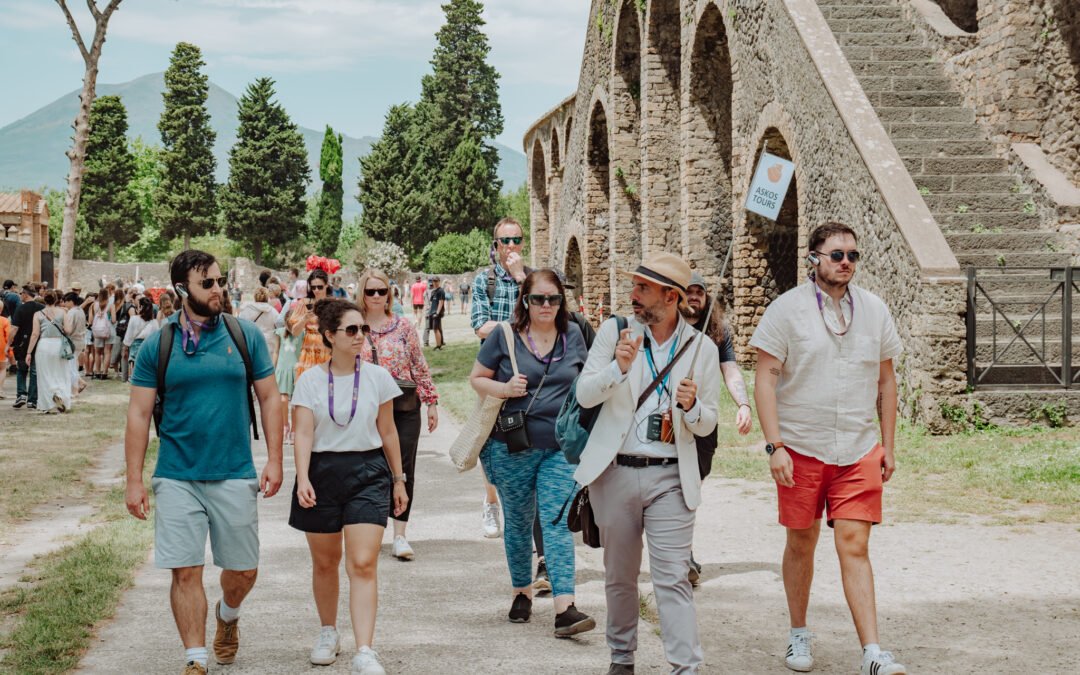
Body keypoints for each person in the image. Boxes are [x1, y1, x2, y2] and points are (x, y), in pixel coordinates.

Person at [750, 223, 906, 675]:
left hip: (858, 449)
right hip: (800, 445)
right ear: (814, 258)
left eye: (853, 255)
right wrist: (774, 445)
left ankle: (873, 652)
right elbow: (766, 377)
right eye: (837, 254)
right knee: (802, 542)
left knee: (855, 545)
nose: (846, 262)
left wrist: (888, 446)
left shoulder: (874, 310)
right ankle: (798, 633)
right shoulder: (786, 310)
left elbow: (886, 381)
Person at [124, 250, 283, 675]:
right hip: (177, 474)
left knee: (243, 571)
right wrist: (134, 480)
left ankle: (227, 615)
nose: (219, 289)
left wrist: (274, 459)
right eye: (208, 283)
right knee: (185, 570)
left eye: (220, 280)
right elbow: (139, 414)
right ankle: (195, 659)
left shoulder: (244, 335)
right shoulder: (158, 344)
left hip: (234, 470)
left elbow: (269, 398)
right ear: (181, 291)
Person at [574, 252, 721, 675]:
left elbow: (708, 420)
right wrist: (617, 369)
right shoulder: (614, 331)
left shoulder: (701, 349)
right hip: (615, 471)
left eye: (642, 288)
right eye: (634, 286)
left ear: (671, 297)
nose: (632, 295)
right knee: (619, 576)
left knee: (671, 577)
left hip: (672, 476)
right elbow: (585, 394)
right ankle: (622, 659)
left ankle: (685, 667)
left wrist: (692, 410)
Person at [469, 269, 596, 637]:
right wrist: (505, 388)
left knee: (556, 522)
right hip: (512, 447)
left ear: (561, 302)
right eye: (538, 298)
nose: (546, 305)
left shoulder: (573, 335)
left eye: (553, 299)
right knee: (520, 521)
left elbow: (587, 382)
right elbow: (476, 378)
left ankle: (565, 608)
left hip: (561, 447)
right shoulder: (504, 336)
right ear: (525, 300)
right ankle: (521, 591)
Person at [289, 298, 408, 675]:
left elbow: (388, 432)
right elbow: (303, 434)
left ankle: (365, 649)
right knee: (326, 563)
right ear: (330, 335)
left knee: (363, 562)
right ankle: (328, 631)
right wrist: (304, 477)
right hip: (322, 472)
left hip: (368, 472)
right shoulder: (309, 380)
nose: (360, 336)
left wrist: (399, 479)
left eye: (364, 330)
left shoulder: (378, 377)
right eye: (351, 330)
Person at [357, 269, 439, 561]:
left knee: (403, 469)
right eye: (371, 291)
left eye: (382, 291)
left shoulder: (403, 326)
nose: (377, 296)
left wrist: (430, 401)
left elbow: (418, 364)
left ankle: (400, 534)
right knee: (371, 468)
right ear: (362, 295)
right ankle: (372, 529)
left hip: (404, 407)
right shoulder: (355, 327)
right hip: (366, 409)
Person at [683, 272, 752, 584]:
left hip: (702, 423)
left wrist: (743, 405)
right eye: (689, 292)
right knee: (674, 489)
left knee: (691, 487)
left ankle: (682, 551)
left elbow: (731, 370)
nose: (695, 297)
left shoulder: (717, 330)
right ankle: (683, 554)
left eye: (700, 292)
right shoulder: (667, 328)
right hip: (671, 422)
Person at [25, 290, 72, 414]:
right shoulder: (63, 312)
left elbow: (35, 334)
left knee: (45, 374)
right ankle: (60, 394)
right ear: (56, 299)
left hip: (44, 345)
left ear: (44, 299)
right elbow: (68, 330)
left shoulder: (38, 314)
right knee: (60, 372)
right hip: (58, 345)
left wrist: (29, 352)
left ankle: (49, 404)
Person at [9, 286, 44, 408]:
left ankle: (21, 395)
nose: (20, 295)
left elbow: (14, 328)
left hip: (22, 343)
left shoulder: (21, 308)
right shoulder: (41, 308)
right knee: (34, 371)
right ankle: (32, 400)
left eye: (21, 293)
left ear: (25, 294)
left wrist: (8, 343)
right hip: (38, 342)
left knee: (22, 369)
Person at [238, 287, 279, 365]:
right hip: (269, 345)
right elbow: (279, 326)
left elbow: (240, 326)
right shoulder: (273, 311)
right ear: (267, 297)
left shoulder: (246, 310)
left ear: (255, 297)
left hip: (251, 344)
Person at [123, 297, 159, 377]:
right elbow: (156, 338)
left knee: (134, 367)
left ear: (141, 307)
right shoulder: (154, 322)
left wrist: (125, 348)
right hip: (149, 347)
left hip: (135, 346)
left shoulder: (134, 319)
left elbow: (129, 335)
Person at [62, 292, 88, 398]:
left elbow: (69, 329)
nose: (64, 304)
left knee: (71, 366)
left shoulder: (72, 312)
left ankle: (75, 389)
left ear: (71, 302)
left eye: (66, 301)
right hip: (80, 340)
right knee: (72, 365)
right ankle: (80, 383)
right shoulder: (80, 310)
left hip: (72, 341)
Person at [88, 291, 115, 380]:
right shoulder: (111, 305)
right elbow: (114, 320)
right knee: (107, 351)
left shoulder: (93, 305)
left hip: (97, 331)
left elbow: (90, 321)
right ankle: (105, 372)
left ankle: (97, 371)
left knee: (98, 352)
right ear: (107, 296)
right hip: (109, 330)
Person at [426, 277, 446, 350]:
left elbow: (441, 302)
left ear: (439, 281)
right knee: (436, 329)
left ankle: (438, 346)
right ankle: (439, 344)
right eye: (433, 281)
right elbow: (431, 303)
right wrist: (429, 312)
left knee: (435, 329)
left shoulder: (441, 291)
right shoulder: (433, 291)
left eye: (436, 281)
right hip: (432, 312)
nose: (435, 283)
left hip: (436, 313)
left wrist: (437, 313)